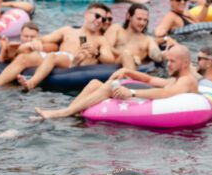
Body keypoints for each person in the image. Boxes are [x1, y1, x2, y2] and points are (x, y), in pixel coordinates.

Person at [0, 3, 114, 90]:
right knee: (25, 57)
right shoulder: (68, 31)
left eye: (104, 19)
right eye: (97, 16)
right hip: (61, 57)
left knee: (53, 56)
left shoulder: (100, 39)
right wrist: (36, 42)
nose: (100, 21)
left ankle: (31, 83)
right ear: (87, 15)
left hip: (74, 61)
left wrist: (96, 52)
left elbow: (110, 60)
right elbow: (45, 38)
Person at [35, 43, 196, 120]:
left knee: (111, 88)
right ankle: (69, 112)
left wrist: (131, 92)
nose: (168, 64)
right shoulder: (177, 79)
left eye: (172, 61)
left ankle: (61, 113)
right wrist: (127, 71)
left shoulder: (187, 81)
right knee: (95, 83)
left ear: (185, 63)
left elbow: (166, 93)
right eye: (168, 61)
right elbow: (151, 79)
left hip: (165, 114)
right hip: (158, 102)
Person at [106, 3, 162, 70]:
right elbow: (105, 48)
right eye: (139, 19)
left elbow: (155, 54)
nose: (142, 23)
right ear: (129, 16)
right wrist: (131, 56)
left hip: (132, 68)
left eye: (145, 20)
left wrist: (162, 54)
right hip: (111, 65)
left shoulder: (147, 40)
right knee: (126, 54)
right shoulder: (116, 29)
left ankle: (129, 79)